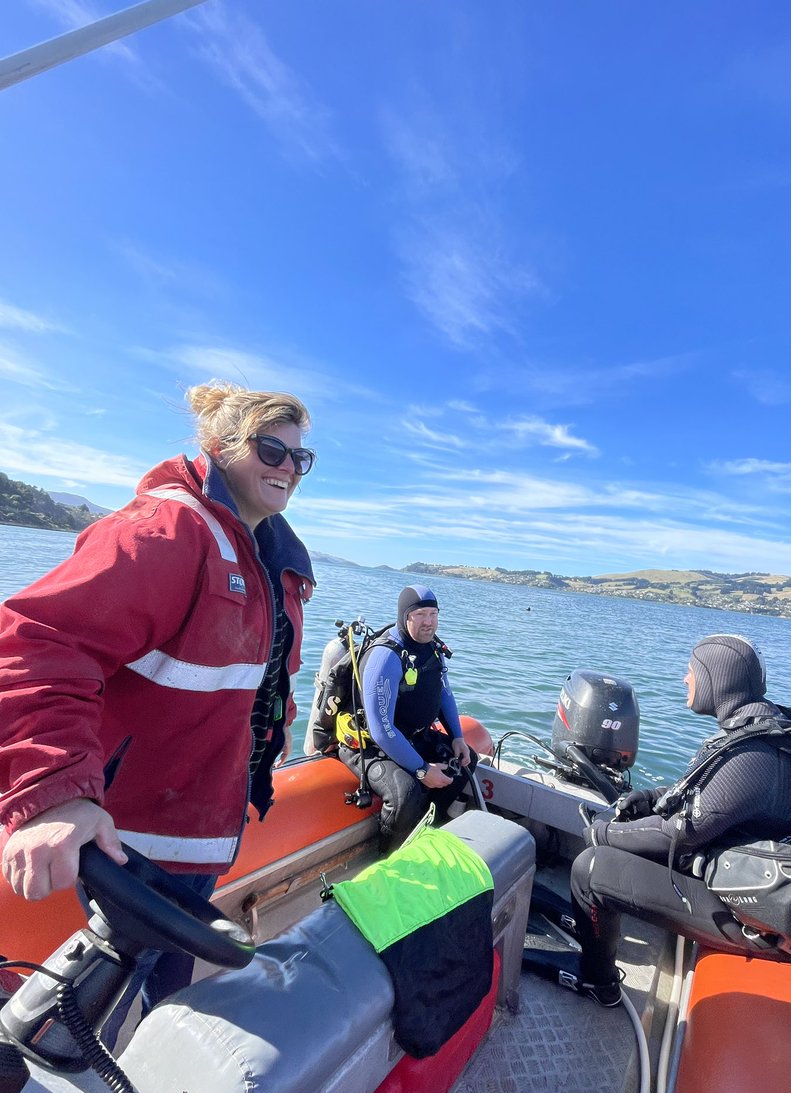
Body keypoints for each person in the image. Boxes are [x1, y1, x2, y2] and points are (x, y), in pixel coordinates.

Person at [0, 379, 316, 1037]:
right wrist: (54, 793)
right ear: (221, 445)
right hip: (127, 849)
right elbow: (37, 645)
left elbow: (253, 690)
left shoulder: (270, 563)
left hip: (201, 835)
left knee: (169, 1005)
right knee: (90, 1033)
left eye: (299, 458)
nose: (288, 468)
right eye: (271, 449)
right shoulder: (170, 529)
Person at [569, 633, 791, 1007]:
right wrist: (648, 797)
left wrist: (603, 833)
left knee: (590, 868)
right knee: (624, 844)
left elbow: (675, 835)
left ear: (716, 680)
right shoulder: (763, 729)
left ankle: (599, 983)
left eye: (692, 671)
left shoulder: (754, 755)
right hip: (759, 882)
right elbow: (705, 793)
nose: (685, 679)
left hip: (769, 919)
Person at [338, 585, 474, 853]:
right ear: (404, 616)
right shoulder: (386, 656)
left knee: (463, 762)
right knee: (406, 793)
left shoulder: (433, 649)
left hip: (413, 737)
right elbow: (381, 730)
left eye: (433, 614)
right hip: (371, 746)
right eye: (420, 614)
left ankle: (423, 833)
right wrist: (422, 770)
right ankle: (389, 856)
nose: (428, 622)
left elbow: (444, 692)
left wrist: (457, 736)